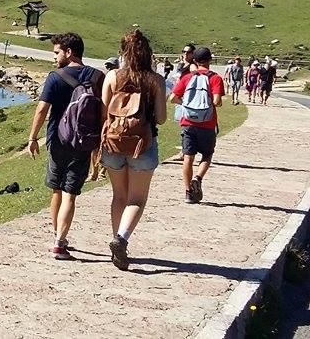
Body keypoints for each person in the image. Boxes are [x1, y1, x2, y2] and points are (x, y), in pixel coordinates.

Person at [28, 32, 104, 260]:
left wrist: (32, 137)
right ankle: (60, 242)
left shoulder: (55, 77)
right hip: (84, 141)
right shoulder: (98, 76)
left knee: (57, 190)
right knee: (70, 193)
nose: (54, 58)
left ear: (69, 52)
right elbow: (103, 110)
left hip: (58, 140)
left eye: (56, 53)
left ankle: (56, 234)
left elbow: (42, 109)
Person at [100, 30, 168, 270]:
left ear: (122, 53)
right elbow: (160, 118)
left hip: (113, 142)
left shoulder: (112, 77)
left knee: (118, 195)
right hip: (143, 144)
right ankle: (121, 239)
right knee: (136, 199)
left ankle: (117, 240)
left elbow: (104, 112)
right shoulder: (156, 80)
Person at [170, 47, 224, 204]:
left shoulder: (187, 77)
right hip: (207, 123)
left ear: (194, 60)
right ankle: (198, 178)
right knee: (207, 155)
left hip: (188, 122)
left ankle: (188, 192)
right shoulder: (215, 78)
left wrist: (186, 104)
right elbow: (216, 102)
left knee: (188, 157)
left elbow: (173, 98)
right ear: (210, 60)